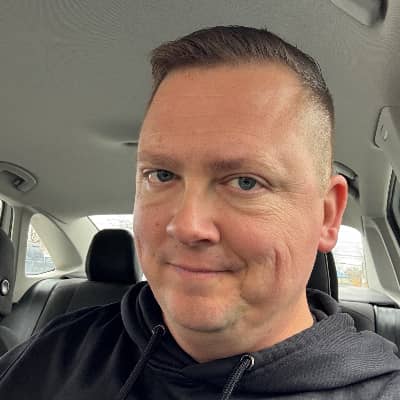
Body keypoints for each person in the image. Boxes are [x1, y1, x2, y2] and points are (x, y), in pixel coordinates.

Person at [1, 25, 400, 399]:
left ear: (327, 215)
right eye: (161, 175)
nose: (187, 226)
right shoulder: (50, 358)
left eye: (245, 182)